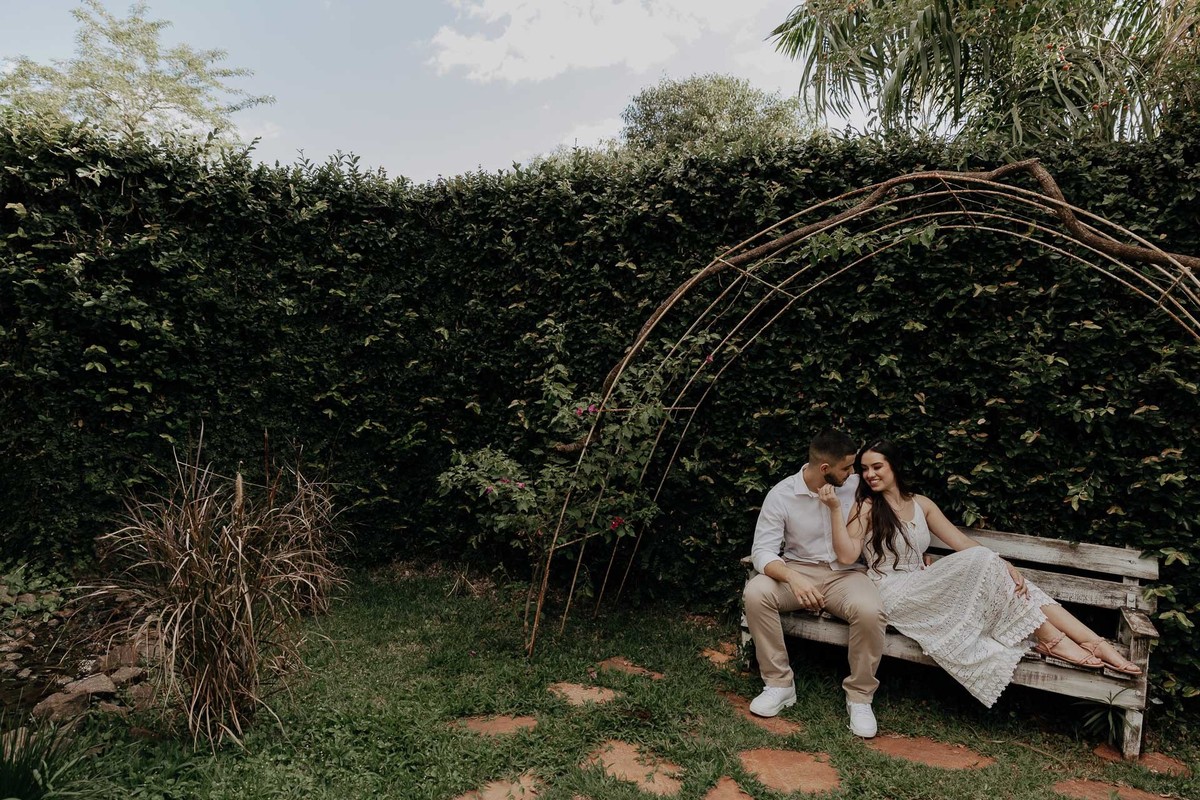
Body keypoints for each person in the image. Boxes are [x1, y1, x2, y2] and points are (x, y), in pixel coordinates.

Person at [829, 439, 1141, 709]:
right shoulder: (866, 507)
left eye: (877, 467)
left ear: (894, 466)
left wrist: (1004, 565)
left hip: (922, 581)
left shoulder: (921, 504)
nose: (869, 474)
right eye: (865, 468)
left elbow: (961, 542)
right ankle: (1053, 639)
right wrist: (834, 510)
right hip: (892, 591)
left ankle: (1094, 642)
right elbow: (846, 555)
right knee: (983, 560)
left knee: (1012, 579)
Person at [743, 429, 885, 738]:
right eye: (847, 467)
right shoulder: (782, 495)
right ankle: (779, 684)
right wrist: (793, 577)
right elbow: (762, 551)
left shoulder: (857, 488)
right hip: (798, 571)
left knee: (870, 610)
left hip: (846, 575)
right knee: (756, 593)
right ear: (825, 469)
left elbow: (898, 507)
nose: (854, 473)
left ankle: (860, 697)